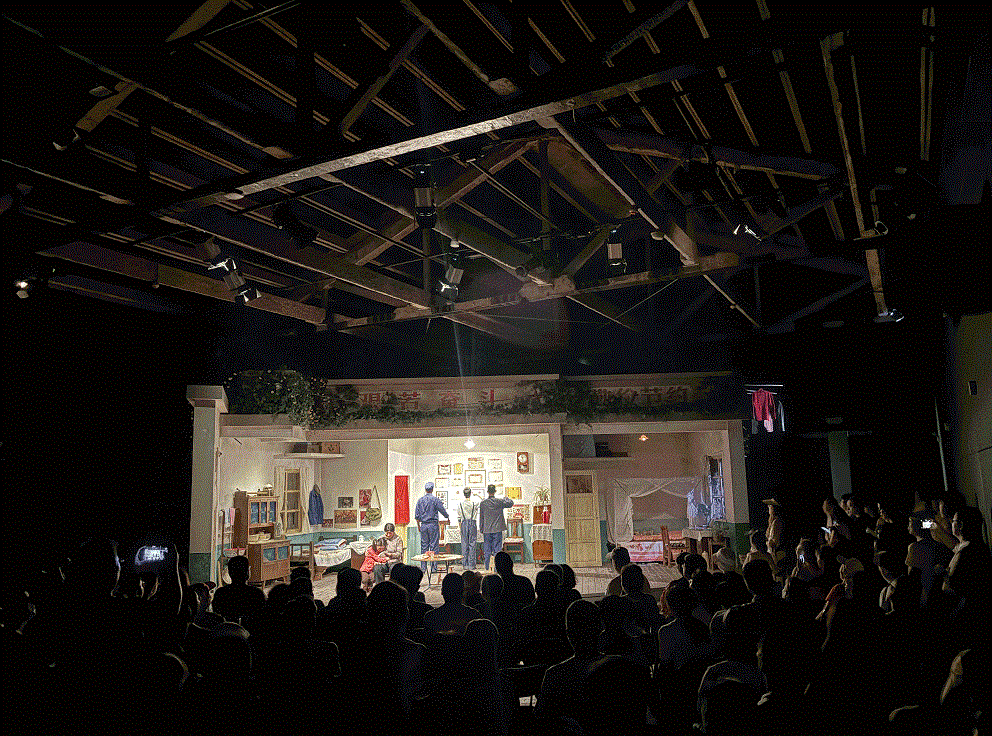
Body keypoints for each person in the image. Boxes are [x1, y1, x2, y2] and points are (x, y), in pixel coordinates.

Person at [211, 555, 266, 625]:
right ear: (247, 573)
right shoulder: (256, 594)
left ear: (230, 573)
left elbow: (216, 618)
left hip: (227, 630)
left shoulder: (220, 593)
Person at [415, 481, 449, 574]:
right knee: (434, 546)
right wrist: (447, 516)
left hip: (423, 525)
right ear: (432, 489)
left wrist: (419, 526)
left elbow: (417, 516)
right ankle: (433, 568)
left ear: (425, 490)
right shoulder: (435, 500)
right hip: (433, 525)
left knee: (424, 547)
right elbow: (442, 510)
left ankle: (423, 568)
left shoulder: (420, 500)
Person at [479, 484, 514, 571]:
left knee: (487, 550)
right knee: (497, 550)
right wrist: (506, 498)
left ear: (487, 491)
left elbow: (481, 517)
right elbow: (511, 503)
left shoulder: (483, 503)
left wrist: (481, 528)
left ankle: (487, 568)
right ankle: (497, 568)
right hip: (497, 529)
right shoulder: (499, 502)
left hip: (487, 529)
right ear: (495, 491)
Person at [456, 487, 479, 570]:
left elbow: (459, 518)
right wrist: (477, 495)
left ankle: (465, 564)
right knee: (472, 544)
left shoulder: (460, 504)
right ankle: (472, 565)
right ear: (470, 493)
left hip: (463, 523)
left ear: (464, 494)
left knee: (464, 544)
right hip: (472, 523)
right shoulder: (475, 503)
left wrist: (460, 527)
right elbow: (483, 501)